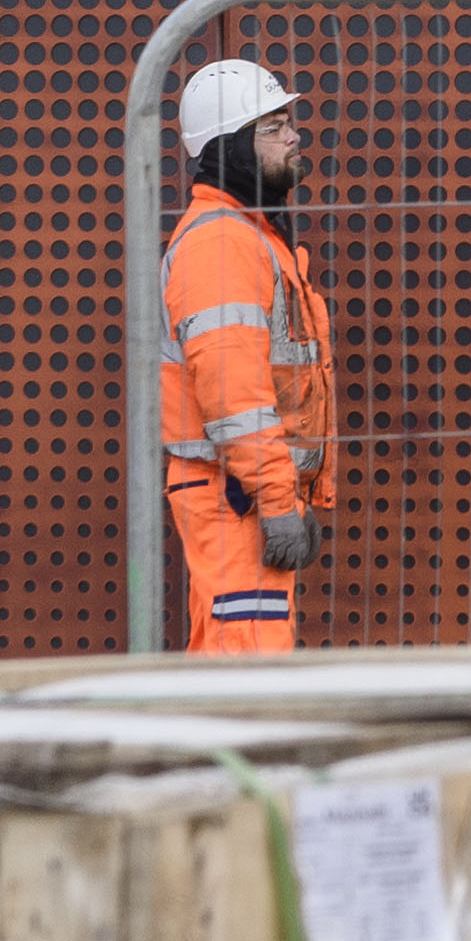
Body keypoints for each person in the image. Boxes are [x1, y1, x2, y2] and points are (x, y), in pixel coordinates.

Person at [160, 55, 330, 655]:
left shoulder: (248, 235)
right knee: (250, 669)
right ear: (228, 146)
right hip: (235, 497)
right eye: (272, 126)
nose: (293, 135)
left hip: (241, 492)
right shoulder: (226, 244)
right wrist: (277, 502)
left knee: (230, 656)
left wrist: (286, 495)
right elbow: (235, 397)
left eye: (288, 121)